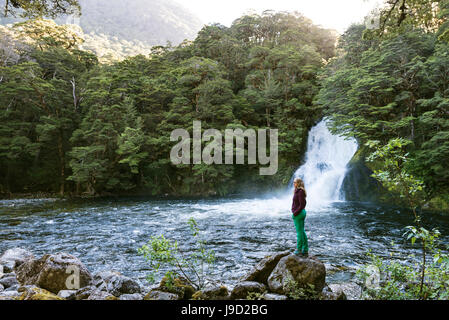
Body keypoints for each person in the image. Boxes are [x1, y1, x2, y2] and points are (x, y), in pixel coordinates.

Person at [292, 178, 309, 257]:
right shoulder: (298, 191)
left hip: (299, 213)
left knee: (299, 233)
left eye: (295, 182)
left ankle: (299, 250)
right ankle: (305, 249)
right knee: (302, 231)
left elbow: (302, 204)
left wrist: (295, 212)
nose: (293, 183)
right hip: (299, 213)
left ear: (298, 183)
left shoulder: (300, 191)